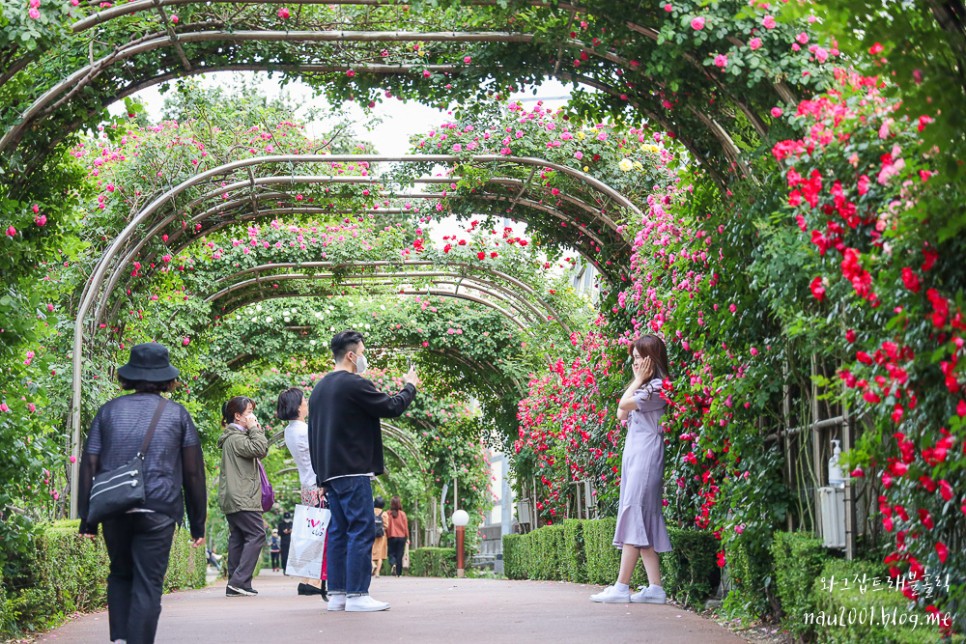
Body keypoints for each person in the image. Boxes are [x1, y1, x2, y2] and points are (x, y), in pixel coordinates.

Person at [77, 342, 207, 644]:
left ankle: (121, 639)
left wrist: (88, 520)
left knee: (120, 574)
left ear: (128, 376)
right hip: (158, 508)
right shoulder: (178, 415)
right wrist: (197, 522)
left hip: (115, 507)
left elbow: (89, 464)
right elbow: (193, 473)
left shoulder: (108, 412)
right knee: (148, 584)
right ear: (167, 378)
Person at [308, 330, 419, 612]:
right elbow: (391, 407)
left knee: (339, 531)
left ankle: (338, 594)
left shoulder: (319, 390)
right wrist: (410, 386)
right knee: (360, 529)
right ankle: (358, 594)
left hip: (331, 473)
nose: (364, 357)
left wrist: (320, 476)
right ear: (350, 355)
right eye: (362, 351)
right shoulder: (353, 384)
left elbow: (314, 435)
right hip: (353, 469)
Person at [591, 335, 672, 605]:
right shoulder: (646, 387)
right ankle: (655, 588)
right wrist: (638, 380)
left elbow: (622, 406)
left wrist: (638, 380)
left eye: (640, 359)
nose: (635, 364)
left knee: (636, 514)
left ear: (652, 359)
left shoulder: (657, 388)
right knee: (642, 517)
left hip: (646, 457)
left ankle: (621, 586)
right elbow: (621, 415)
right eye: (634, 359)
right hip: (637, 457)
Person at [217, 395, 269, 597]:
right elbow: (260, 449)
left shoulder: (234, 438)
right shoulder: (236, 438)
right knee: (257, 534)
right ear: (237, 416)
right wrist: (255, 429)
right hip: (242, 497)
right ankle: (238, 581)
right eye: (249, 413)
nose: (253, 417)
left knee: (239, 537)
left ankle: (238, 583)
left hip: (235, 496)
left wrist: (253, 429)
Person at [278, 387, 326, 598]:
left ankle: (306, 579)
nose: (307, 403)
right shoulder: (305, 430)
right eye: (304, 400)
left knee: (309, 534)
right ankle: (314, 580)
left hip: (306, 485)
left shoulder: (290, 430)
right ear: (297, 406)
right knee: (320, 533)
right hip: (316, 485)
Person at [385, 496, 409, 577]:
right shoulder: (403, 514)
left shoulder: (388, 513)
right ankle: (398, 573)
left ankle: (393, 563)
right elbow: (405, 527)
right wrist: (407, 537)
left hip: (391, 536)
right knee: (399, 555)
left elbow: (385, 525)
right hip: (402, 537)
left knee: (391, 553)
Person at [371, 496, 388, 577]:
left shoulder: (371, 511)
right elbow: (386, 525)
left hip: (371, 534)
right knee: (380, 555)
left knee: (370, 551)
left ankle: (372, 564)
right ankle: (377, 572)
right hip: (381, 535)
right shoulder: (384, 514)